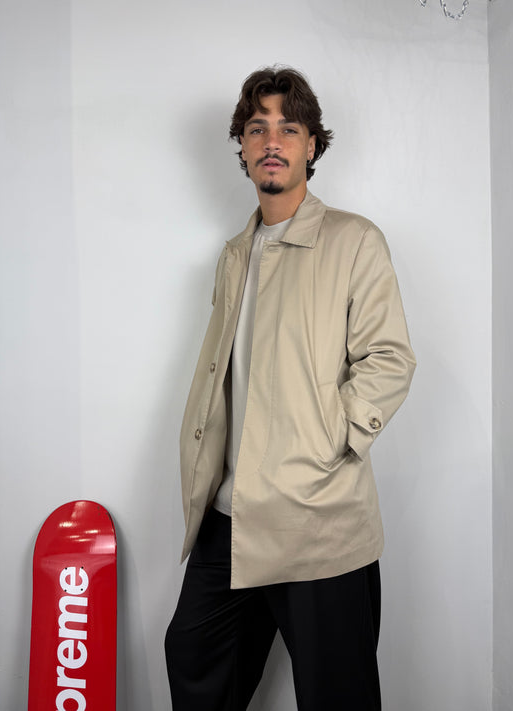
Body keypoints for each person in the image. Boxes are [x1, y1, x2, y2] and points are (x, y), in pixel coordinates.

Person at [165, 66, 415, 711]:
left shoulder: (353, 240)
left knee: (337, 695)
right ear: (243, 147)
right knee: (194, 660)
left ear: (311, 146)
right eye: (257, 128)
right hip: (231, 514)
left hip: (318, 518)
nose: (271, 140)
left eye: (289, 127)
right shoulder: (234, 253)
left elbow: (389, 357)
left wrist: (331, 440)